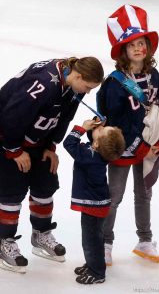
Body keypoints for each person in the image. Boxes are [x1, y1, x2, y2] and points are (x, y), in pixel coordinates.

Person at [0, 56, 104, 273]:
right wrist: (14, 151)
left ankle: (41, 234)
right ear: (77, 76)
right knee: (12, 189)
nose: (87, 92)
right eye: (87, 87)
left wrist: (50, 146)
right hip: (3, 135)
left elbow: (63, 117)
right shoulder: (43, 85)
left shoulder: (71, 84)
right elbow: (11, 117)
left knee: (45, 183)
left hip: (35, 135)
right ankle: (4, 243)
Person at [96, 4, 159, 266]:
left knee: (144, 195)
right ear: (123, 51)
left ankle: (144, 240)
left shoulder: (155, 76)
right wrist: (137, 144)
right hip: (123, 150)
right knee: (115, 196)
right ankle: (105, 243)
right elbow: (114, 120)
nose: (138, 48)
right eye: (132, 45)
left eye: (142, 43)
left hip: (149, 150)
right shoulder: (115, 82)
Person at [63, 118, 125, 284]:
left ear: (97, 144)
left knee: (91, 242)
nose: (101, 127)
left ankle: (97, 273)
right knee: (94, 239)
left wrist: (82, 128)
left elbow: (69, 144)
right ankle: (92, 264)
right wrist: (96, 130)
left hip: (93, 208)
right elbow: (90, 144)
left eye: (102, 130)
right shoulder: (96, 154)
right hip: (97, 206)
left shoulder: (89, 157)